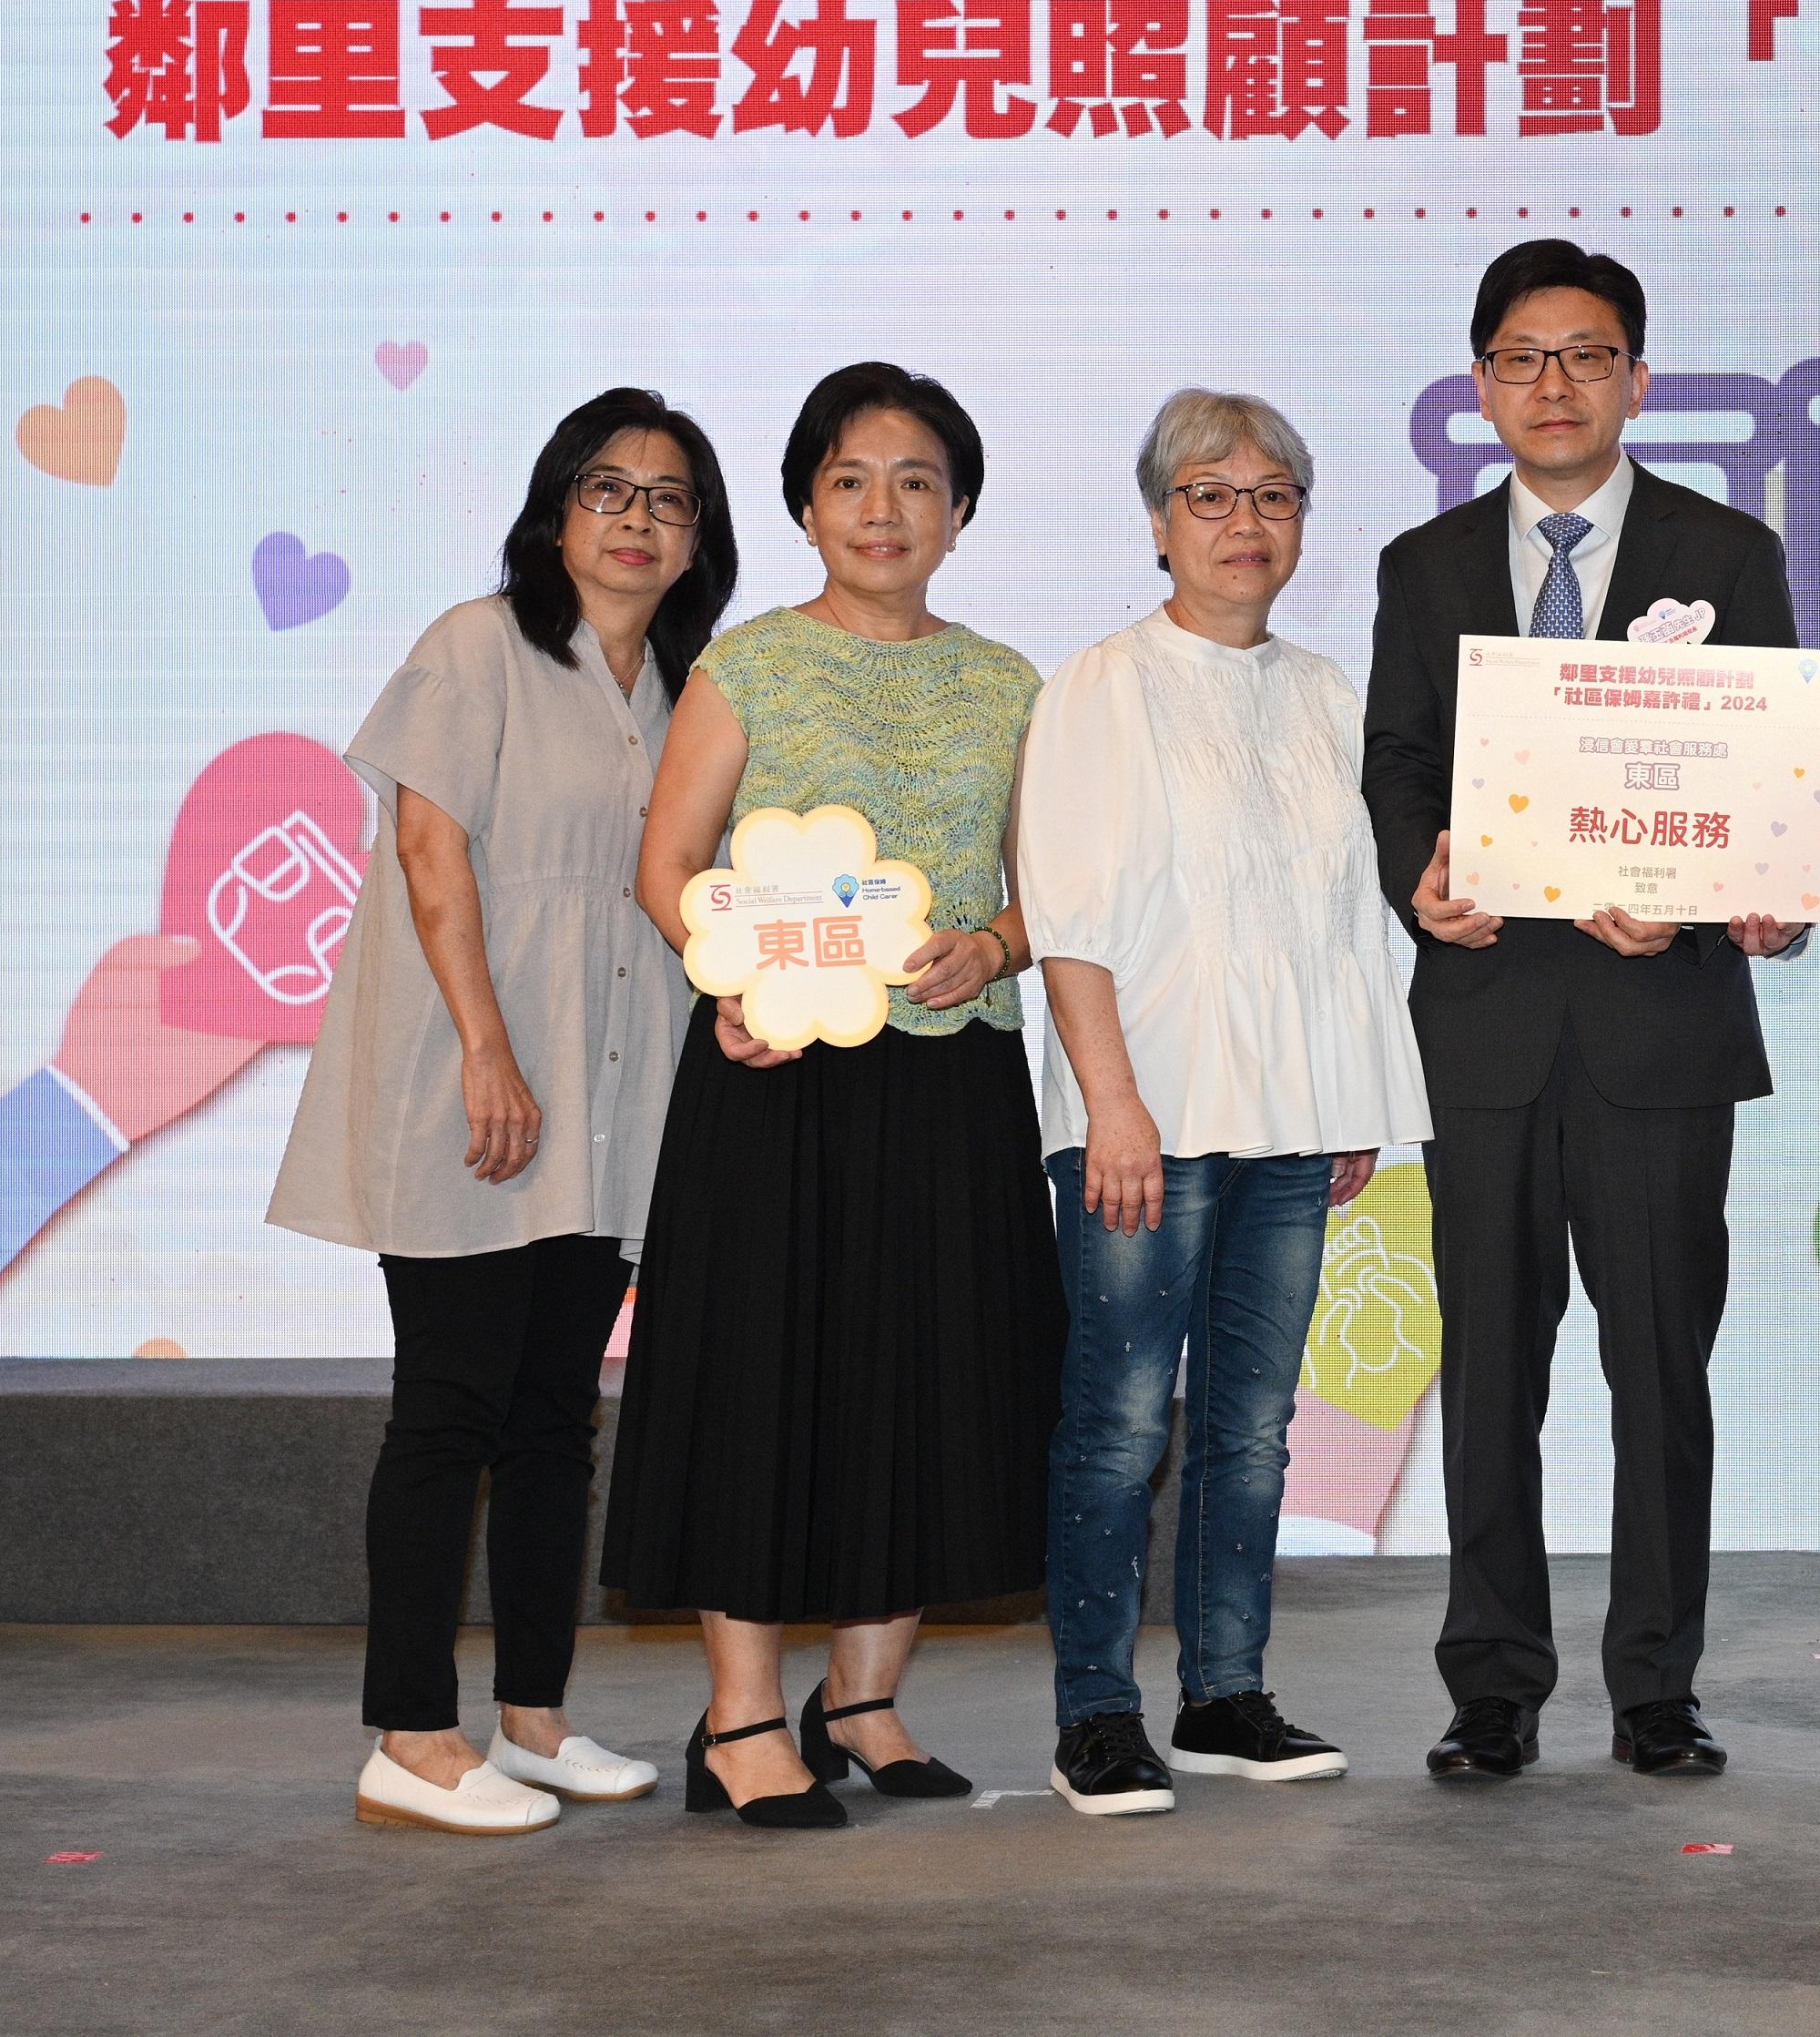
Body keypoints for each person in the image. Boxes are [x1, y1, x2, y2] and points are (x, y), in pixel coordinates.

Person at [1361, 239, 1804, 1782]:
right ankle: (1491, 1678)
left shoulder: (1729, 549)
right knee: (1490, 1364)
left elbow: (1765, 777)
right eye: (1523, 357)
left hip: (1659, 1022)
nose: (1556, 384)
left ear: (1637, 375)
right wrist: (1422, 873)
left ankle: (1656, 1682)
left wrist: (1705, 887)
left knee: (1661, 1364)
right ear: (1480, 383)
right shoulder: (1421, 568)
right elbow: (1402, 762)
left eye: (1588, 353)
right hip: (1484, 1019)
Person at [269, 391, 737, 1837]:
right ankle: (408, 1733)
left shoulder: (685, 684)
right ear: (554, 511)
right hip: (479, 1083)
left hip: (610, 1093)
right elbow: (427, 846)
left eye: (669, 498)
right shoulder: (478, 644)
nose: (637, 517)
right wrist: (485, 1047)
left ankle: (531, 1718)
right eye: (608, 489)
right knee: (451, 1408)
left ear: (697, 538)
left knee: (554, 1420)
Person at [603, 362, 1062, 1832]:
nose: (884, 507)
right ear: (805, 504)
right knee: (761, 1381)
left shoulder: (1009, 682)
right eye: (852, 478)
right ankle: (739, 1716)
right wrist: (724, 984)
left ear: (962, 511)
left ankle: (860, 1700)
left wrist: (993, 942)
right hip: (776, 1076)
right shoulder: (751, 665)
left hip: (951, 1076)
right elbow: (665, 866)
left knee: (930, 1381)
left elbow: (1049, 886)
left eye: (918, 480)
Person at [1014, 391, 1433, 1818]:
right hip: (1148, 1115)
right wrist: (1110, 1101)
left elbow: (1338, 915)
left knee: (1254, 1424)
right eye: (1212, 495)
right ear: (1156, 523)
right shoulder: (1097, 686)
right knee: (1120, 1422)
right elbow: (1067, 913)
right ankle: (1097, 1711)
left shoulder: (1325, 689)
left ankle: (1225, 1693)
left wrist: (1353, 1080)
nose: (1246, 524)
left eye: (1274, 497)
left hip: (1293, 1116)